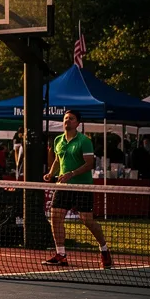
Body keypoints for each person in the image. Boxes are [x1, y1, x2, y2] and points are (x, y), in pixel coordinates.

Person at [42, 109, 111, 268]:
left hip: (82, 186)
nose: (67, 121)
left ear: (77, 123)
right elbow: (59, 159)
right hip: (63, 186)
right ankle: (61, 255)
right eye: (66, 118)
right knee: (56, 217)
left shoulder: (84, 141)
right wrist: (51, 173)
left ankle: (104, 249)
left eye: (71, 119)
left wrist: (71, 174)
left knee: (87, 220)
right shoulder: (58, 140)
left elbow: (89, 164)